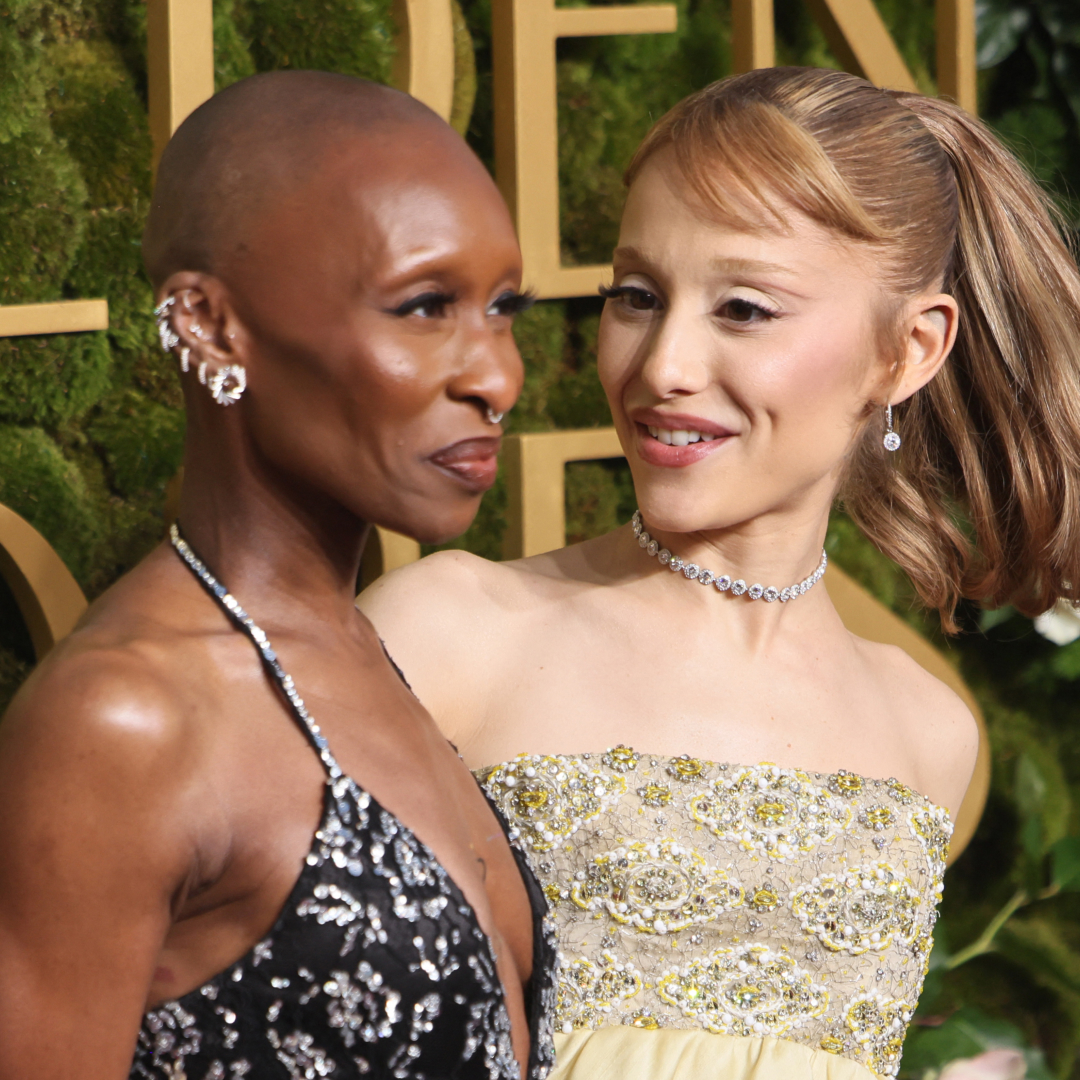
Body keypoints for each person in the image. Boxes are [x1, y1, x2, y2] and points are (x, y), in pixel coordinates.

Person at [358, 67, 1080, 1080]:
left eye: (743, 307)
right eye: (637, 297)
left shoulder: (928, 733)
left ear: (909, 350)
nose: (663, 366)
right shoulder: (446, 635)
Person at [0, 71, 556, 1080]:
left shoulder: (366, 651)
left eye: (503, 308)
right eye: (425, 307)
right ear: (211, 325)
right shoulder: (124, 720)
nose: (497, 376)